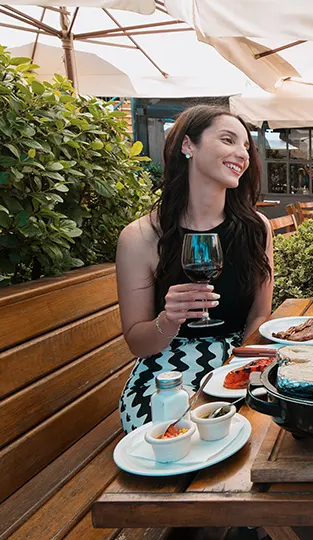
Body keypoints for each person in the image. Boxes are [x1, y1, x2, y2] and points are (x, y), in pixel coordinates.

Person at [115, 105, 274, 434]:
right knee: (174, 434)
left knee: (264, 423)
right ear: (188, 146)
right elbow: (137, 343)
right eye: (228, 140)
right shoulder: (141, 237)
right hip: (166, 369)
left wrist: (239, 367)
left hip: (241, 353)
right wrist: (168, 320)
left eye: (246, 146)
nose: (241, 154)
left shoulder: (256, 228)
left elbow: (260, 314)